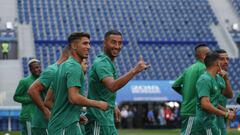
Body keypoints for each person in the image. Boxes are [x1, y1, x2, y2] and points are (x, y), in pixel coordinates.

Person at [85, 30, 150, 135]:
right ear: (105, 43)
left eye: (120, 43)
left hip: (106, 118)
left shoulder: (107, 62)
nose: (117, 46)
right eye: (113, 42)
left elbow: (103, 91)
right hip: (99, 119)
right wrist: (134, 71)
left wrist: (113, 105)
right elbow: (112, 86)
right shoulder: (102, 62)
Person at [47, 32, 108, 135]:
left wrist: (73, 114)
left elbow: (47, 101)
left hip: (60, 125)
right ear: (74, 46)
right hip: (65, 127)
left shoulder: (62, 66)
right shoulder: (75, 67)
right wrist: (98, 104)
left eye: (89, 44)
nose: (89, 47)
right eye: (85, 43)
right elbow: (73, 98)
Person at [28, 46, 71, 135]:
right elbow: (32, 90)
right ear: (68, 57)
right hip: (44, 124)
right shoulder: (53, 71)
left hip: (54, 122)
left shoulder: (63, 71)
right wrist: (45, 110)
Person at [190, 52, 235, 135]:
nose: (225, 62)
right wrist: (225, 114)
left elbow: (214, 102)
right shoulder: (205, 80)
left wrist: (227, 111)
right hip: (204, 123)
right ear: (217, 63)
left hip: (210, 122)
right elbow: (205, 104)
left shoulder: (216, 78)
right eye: (221, 60)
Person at [172, 43, 210, 135]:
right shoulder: (204, 69)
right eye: (209, 54)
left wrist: (187, 93)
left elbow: (175, 85)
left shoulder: (188, 69)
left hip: (189, 110)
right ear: (203, 55)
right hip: (194, 111)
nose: (211, 56)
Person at [13, 59, 41, 135]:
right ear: (30, 69)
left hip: (40, 117)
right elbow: (16, 97)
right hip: (28, 116)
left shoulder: (43, 80)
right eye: (35, 68)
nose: (37, 69)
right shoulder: (24, 81)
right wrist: (30, 99)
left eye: (38, 67)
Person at [215, 49, 234, 135]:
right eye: (222, 59)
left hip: (221, 117)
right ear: (214, 61)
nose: (226, 61)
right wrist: (226, 111)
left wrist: (226, 79)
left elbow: (230, 95)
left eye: (227, 59)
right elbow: (210, 102)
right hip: (213, 118)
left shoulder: (222, 76)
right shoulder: (210, 77)